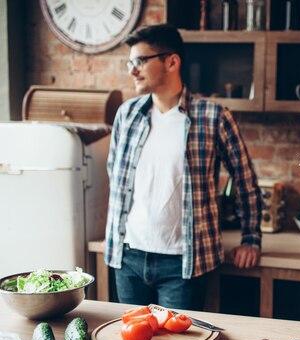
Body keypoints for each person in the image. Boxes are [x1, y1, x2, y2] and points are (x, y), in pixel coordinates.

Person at [104, 24, 262, 310]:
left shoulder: (213, 116)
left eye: (140, 61)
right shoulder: (127, 115)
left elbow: (245, 180)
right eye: (130, 62)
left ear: (172, 62)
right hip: (128, 258)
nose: (132, 70)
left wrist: (251, 239)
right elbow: (114, 174)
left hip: (183, 263)